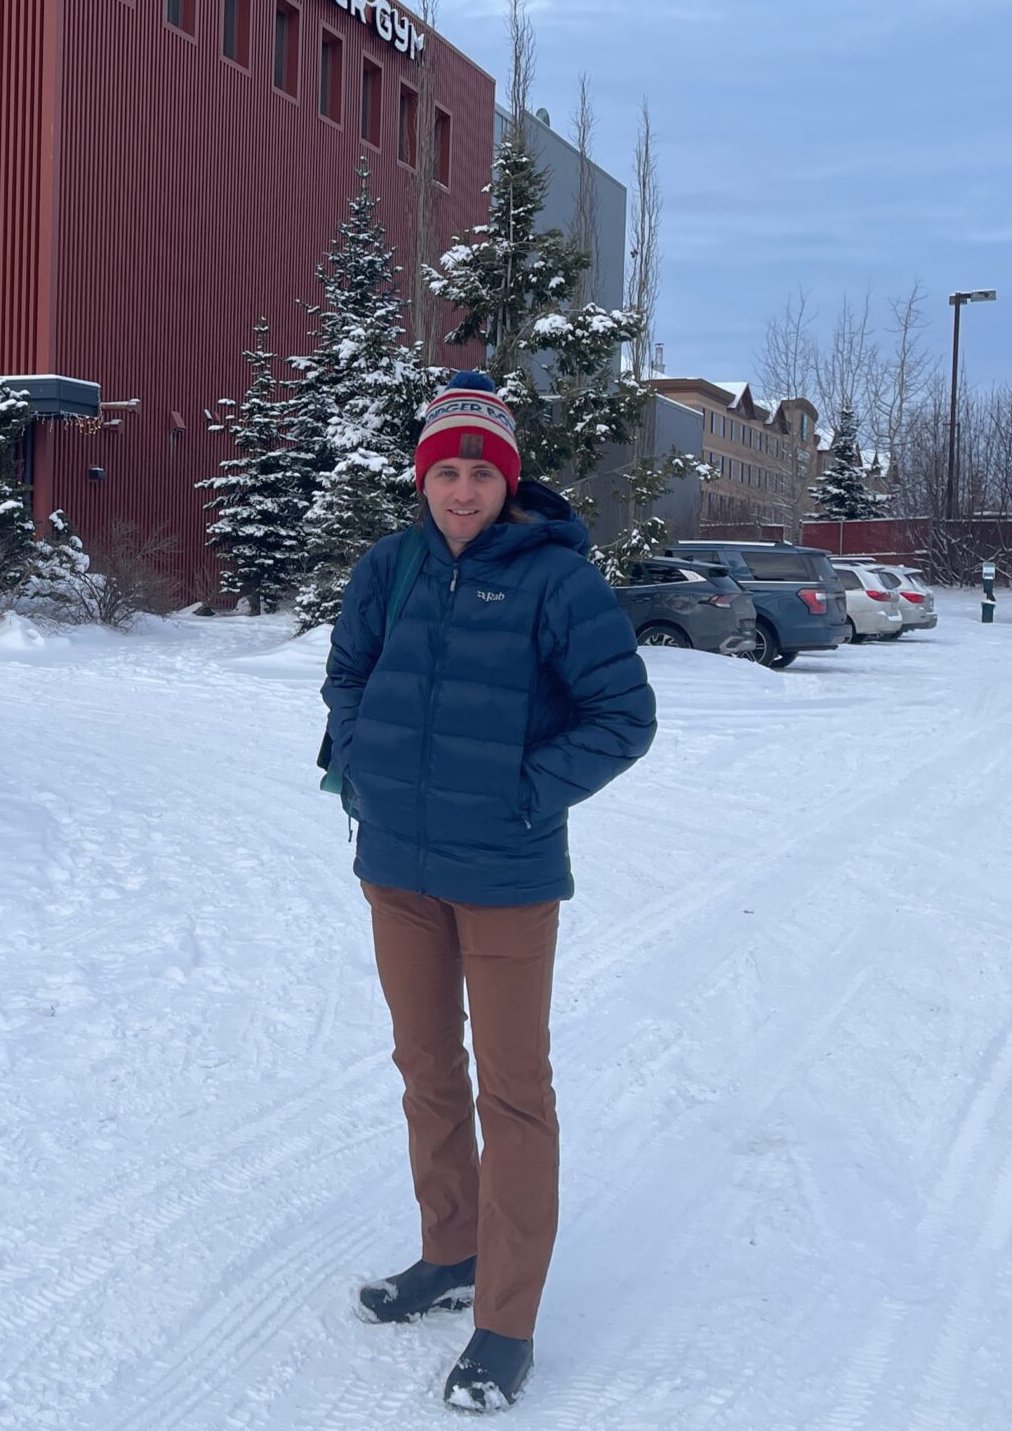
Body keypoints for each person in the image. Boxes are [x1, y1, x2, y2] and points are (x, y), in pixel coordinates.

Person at [323, 371, 657, 1414]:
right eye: (445, 470)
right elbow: (347, 674)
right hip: (398, 866)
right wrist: (360, 762)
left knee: (512, 1091)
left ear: (507, 481)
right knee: (425, 1065)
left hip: (506, 874)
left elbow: (622, 716)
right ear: (422, 476)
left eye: (480, 471)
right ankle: (449, 1249)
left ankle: (504, 1319)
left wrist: (522, 791)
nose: (461, 489)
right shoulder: (390, 566)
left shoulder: (558, 581)